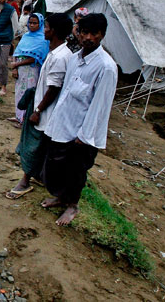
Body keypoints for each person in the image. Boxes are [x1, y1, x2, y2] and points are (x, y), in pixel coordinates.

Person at [41, 13, 118, 225]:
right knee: (57, 168)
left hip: (81, 133)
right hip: (63, 124)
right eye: (85, 32)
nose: (88, 37)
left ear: (102, 35)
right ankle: (60, 198)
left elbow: (100, 106)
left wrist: (84, 136)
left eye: (94, 33)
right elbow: (66, 93)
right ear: (79, 33)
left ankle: (72, 206)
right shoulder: (75, 59)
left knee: (75, 172)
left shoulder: (106, 67)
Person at [6, 13, 73, 200]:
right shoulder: (56, 52)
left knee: (32, 145)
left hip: (45, 111)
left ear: (54, 31)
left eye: (46, 27)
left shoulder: (60, 57)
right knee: (42, 146)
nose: (44, 30)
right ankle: (39, 176)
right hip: (42, 107)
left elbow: (53, 88)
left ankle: (25, 181)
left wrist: (38, 110)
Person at [10, 14, 50, 124]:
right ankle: (18, 116)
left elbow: (35, 58)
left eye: (34, 23)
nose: (31, 25)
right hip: (19, 69)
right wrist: (15, 67)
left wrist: (17, 65)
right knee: (19, 92)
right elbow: (17, 52)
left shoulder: (43, 39)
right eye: (30, 23)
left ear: (40, 24)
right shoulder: (26, 36)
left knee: (28, 93)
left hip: (31, 71)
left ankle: (25, 119)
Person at [0, 0, 19, 96]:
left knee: (3, 63)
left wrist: (11, 37)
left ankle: (4, 87)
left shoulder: (11, 10)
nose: (0, 0)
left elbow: (15, 26)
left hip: (6, 39)